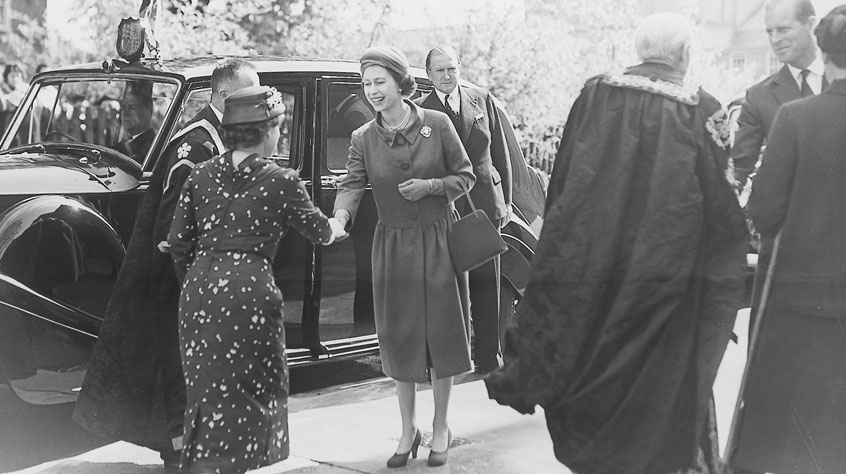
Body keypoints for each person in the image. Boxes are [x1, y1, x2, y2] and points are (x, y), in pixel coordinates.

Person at [485, 12, 748, 474]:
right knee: (656, 390)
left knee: (591, 363)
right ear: (686, 54)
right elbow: (721, 208)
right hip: (661, 279)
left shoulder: (595, 92)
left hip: (592, 267)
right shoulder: (700, 106)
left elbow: (563, 175)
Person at [73, 58, 259, 472]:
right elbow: (173, 235)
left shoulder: (222, 138)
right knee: (180, 387)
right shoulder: (194, 148)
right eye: (251, 97)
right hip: (180, 290)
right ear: (225, 97)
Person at [168, 85, 343, 474]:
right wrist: (339, 224)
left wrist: (199, 283)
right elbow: (321, 232)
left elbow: (179, 244)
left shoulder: (199, 175)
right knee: (252, 391)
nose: (279, 135)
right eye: (278, 127)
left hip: (198, 294)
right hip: (250, 293)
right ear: (266, 130)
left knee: (206, 394)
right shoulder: (282, 181)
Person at [331, 45, 475, 468]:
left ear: (399, 82)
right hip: (392, 247)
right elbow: (351, 185)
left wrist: (431, 187)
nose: (371, 91)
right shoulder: (363, 138)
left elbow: (466, 176)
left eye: (379, 82)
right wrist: (340, 219)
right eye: (366, 84)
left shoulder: (438, 123)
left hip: (439, 241)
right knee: (399, 340)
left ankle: (442, 427)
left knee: (444, 336)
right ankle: (408, 429)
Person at [726, 6, 846, 474]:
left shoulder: (796, 117)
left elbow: (764, 209)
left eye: (783, 28)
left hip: (798, 289)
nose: (775, 38)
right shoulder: (764, 97)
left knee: (781, 416)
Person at [416, 45, 512, 374]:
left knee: (488, 283)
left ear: (460, 68)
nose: (447, 76)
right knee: (452, 287)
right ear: (428, 75)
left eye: (452, 69)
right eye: (439, 70)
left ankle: (490, 356)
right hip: (447, 207)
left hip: (486, 203)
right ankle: (456, 358)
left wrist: (507, 200)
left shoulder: (481, 99)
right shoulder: (420, 111)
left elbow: (501, 152)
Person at [116, 80, 156, 163]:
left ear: (147, 111)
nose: (125, 114)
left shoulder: (153, 147)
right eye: (123, 108)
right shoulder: (122, 144)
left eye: (132, 108)